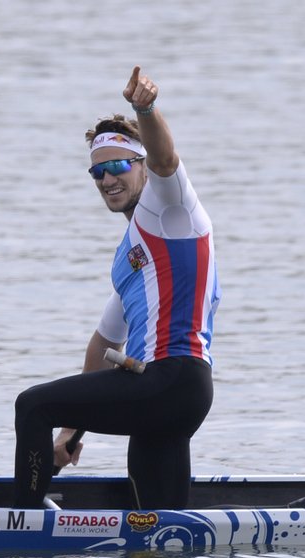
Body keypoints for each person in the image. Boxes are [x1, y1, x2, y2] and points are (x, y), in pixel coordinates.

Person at [13, 66, 219, 510]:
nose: (107, 180)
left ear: (140, 166)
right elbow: (102, 344)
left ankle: (21, 529)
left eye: (117, 166)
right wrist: (70, 436)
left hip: (173, 379)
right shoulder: (134, 256)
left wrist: (144, 108)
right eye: (97, 173)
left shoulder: (171, 209)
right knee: (161, 530)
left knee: (32, 407)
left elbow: (166, 159)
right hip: (169, 396)